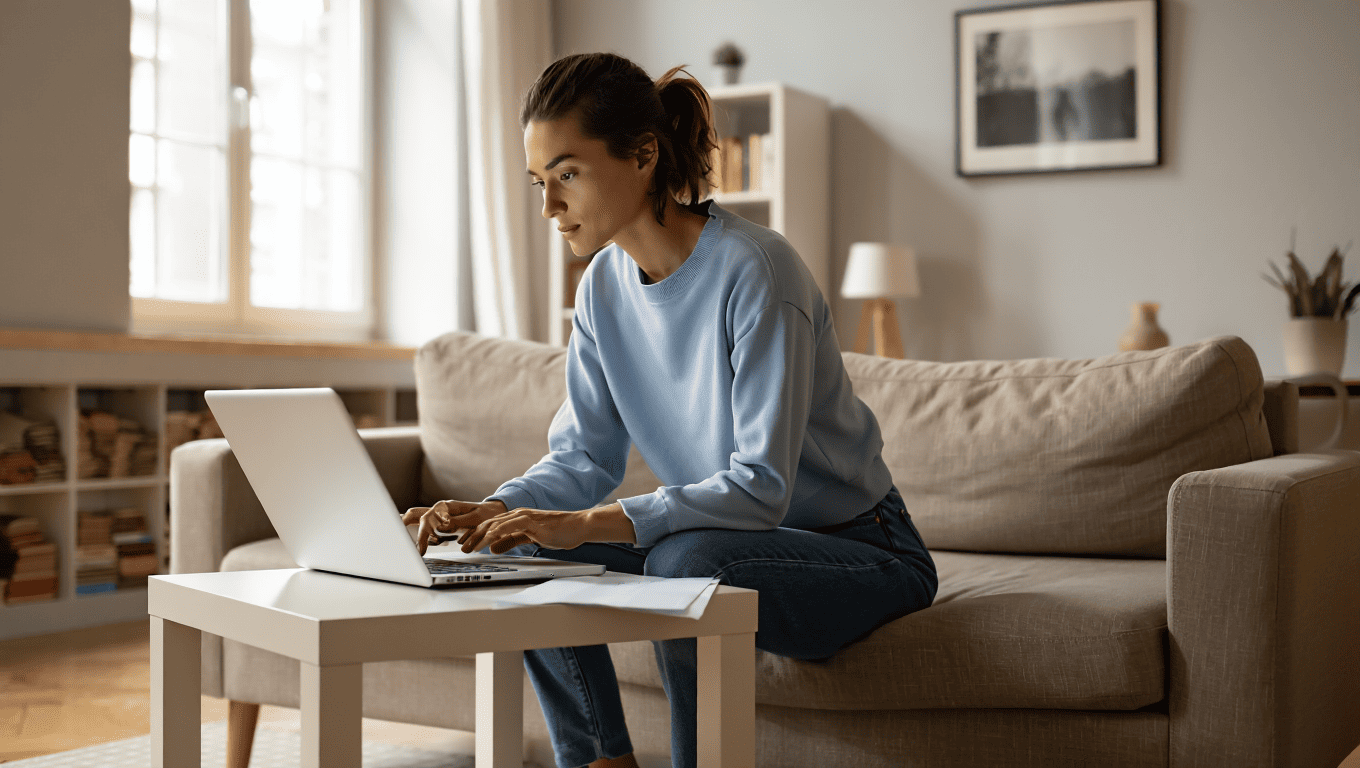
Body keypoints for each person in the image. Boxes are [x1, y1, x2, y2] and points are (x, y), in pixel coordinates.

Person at [401, 52, 938, 768]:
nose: (548, 208)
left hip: (864, 548)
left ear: (645, 155)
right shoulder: (600, 290)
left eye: (568, 174)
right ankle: (600, 760)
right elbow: (584, 458)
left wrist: (589, 523)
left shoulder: (757, 270)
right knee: (524, 548)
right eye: (539, 182)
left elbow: (760, 489)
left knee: (684, 559)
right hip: (727, 538)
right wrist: (496, 508)